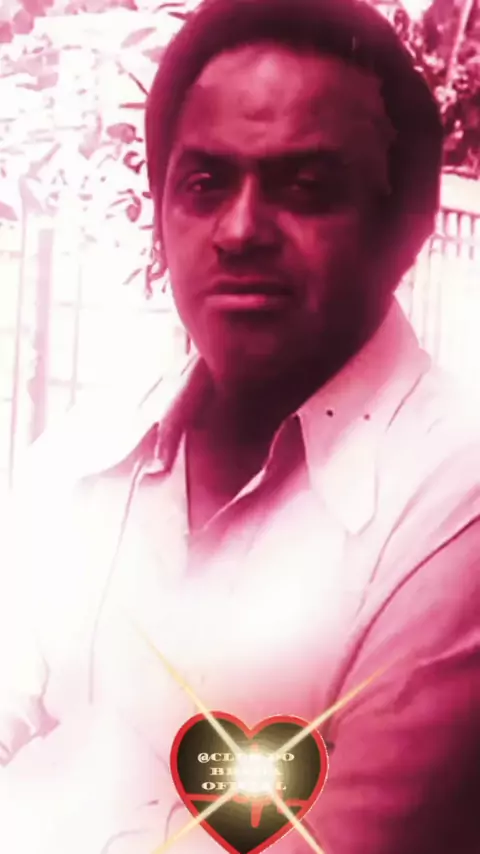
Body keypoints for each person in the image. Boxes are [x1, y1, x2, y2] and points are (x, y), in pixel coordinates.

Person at [1, 0, 480, 852]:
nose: (241, 229)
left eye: (306, 188)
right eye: (204, 184)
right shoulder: (80, 460)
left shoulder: (455, 505)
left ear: (403, 228)